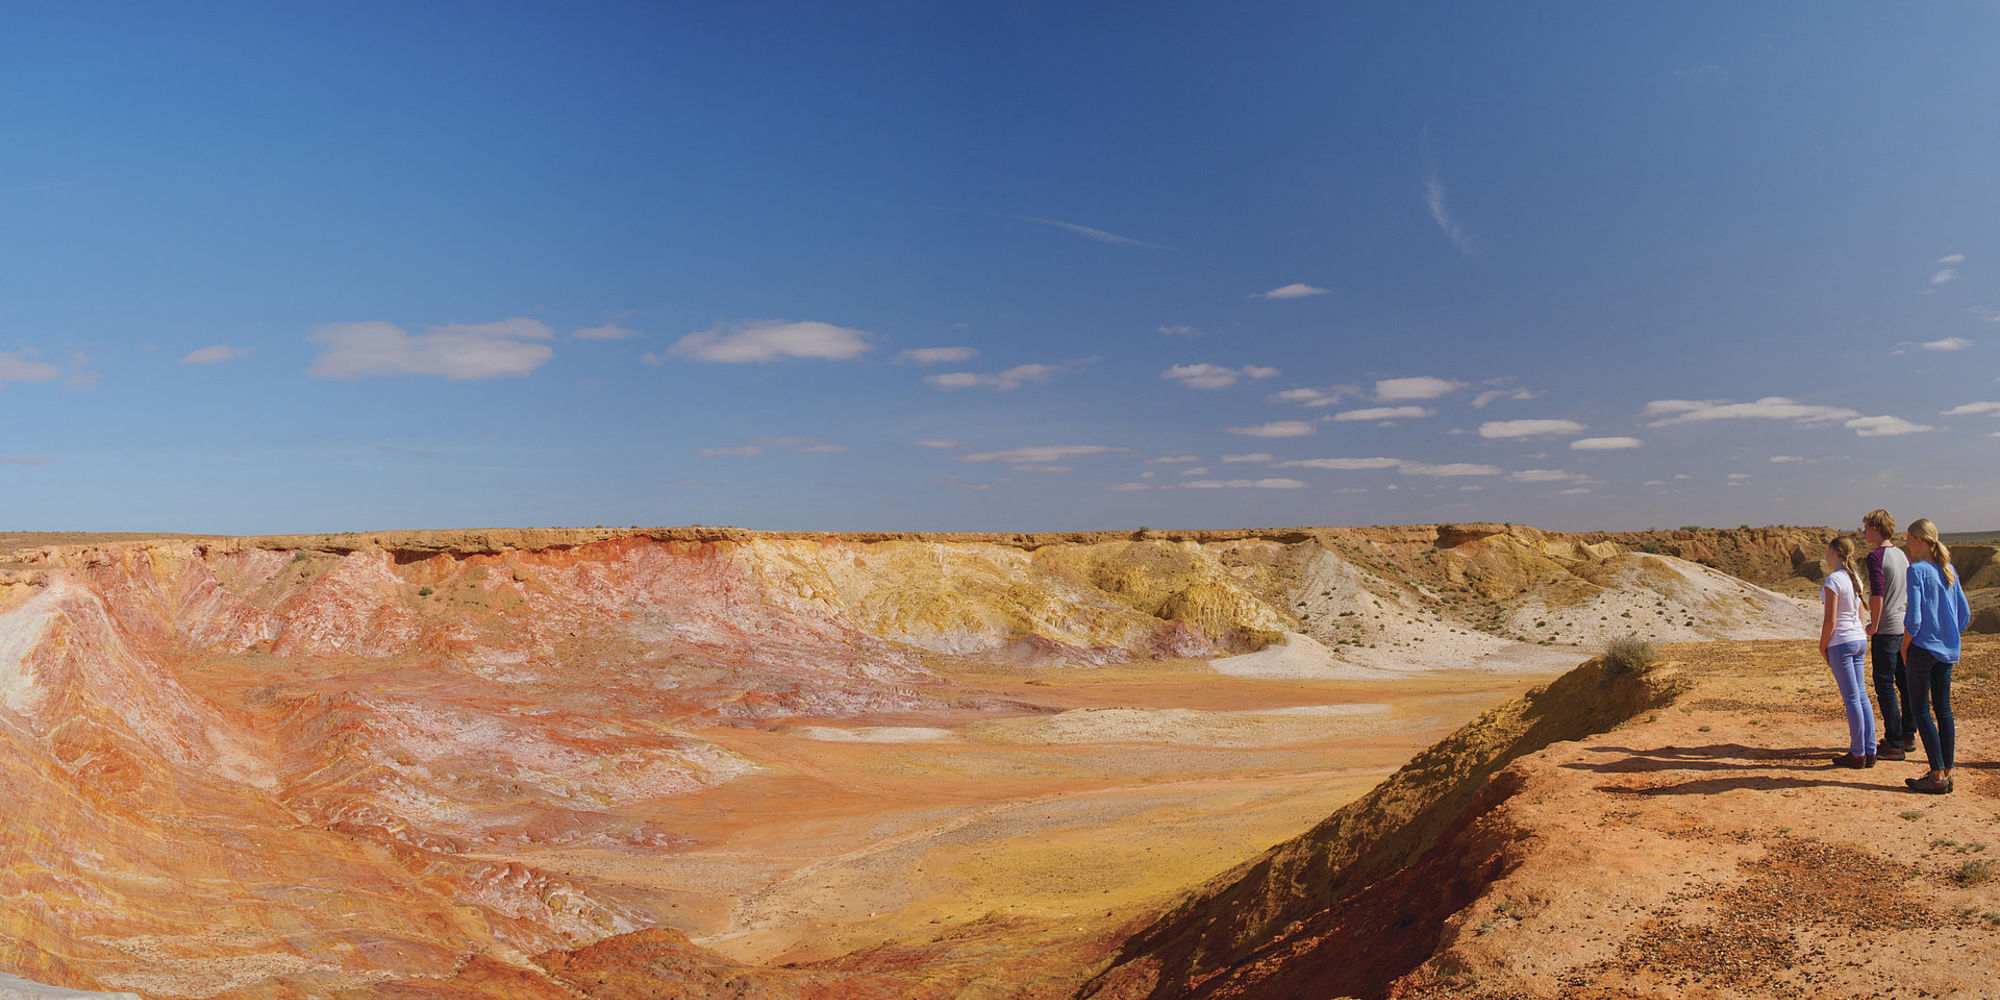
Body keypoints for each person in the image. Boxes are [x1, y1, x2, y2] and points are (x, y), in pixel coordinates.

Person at [1902, 517, 1972, 794]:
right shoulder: (1948, 569)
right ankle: (1947, 771)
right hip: (1947, 649)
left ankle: (1936, 774)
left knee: (1921, 710)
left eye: (1908, 539)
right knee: (1943, 710)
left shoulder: (1917, 570)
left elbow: (1914, 617)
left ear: (1920, 540)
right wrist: (1948, 633)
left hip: (1923, 648)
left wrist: (1905, 646)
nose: (1906, 544)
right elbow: (1964, 615)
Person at [1862, 509, 1913, 759]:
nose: (1863, 532)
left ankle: (1894, 742)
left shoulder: (1876, 557)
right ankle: (1908, 735)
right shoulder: (1902, 555)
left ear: (1877, 529)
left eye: (1867, 528)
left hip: (1887, 627)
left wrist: (1874, 624)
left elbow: (1877, 594)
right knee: (1905, 682)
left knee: (1884, 684)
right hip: (1903, 624)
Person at [1819, 535, 1874, 768]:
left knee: (1852, 698)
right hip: (1858, 639)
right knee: (1861, 696)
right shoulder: (1855, 579)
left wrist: (1823, 646)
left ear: (1834, 553)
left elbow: (1829, 620)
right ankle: (1869, 750)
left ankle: (1857, 753)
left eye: (1828, 550)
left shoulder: (1833, 580)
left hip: (1841, 641)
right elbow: (1860, 614)